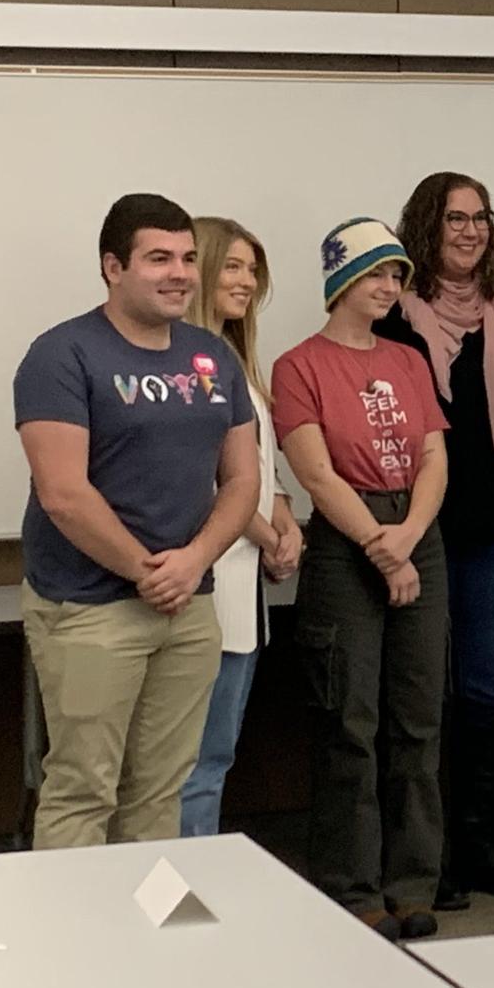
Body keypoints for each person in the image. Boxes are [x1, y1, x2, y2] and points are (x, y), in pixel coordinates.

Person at [14, 193, 260, 849]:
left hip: (187, 604)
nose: (179, 272)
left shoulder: (212, 357)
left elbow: (242, 480)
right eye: (158, 258)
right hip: (91, 607)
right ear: (112, 267)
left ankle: (140, 945)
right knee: (83, 789)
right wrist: (148, 570)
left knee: (162, 791)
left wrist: (194, 561)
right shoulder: (62, 354)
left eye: (185, 258)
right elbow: (63, 492)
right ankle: (74, 945)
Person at [376, 172, 494, 906]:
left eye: (481, 217)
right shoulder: (393, 313)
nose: (470, 230)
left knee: (491, 690)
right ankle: (428, 857)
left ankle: (482, 846)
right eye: (455, 218)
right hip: (415, 532)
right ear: (426, 224)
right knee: (420, 697)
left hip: (493, 534)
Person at [274, 219, 451, 940]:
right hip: (349, 541)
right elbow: (315, 471)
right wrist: (382, 545)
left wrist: (408, 536)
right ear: (341, 280)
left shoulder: (408, 359)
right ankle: (353, 886)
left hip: (417, 533)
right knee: (352, 720)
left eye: (397, 276)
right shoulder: (299, 365)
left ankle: (414, 884)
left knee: (418, 717)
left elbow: (436, 456)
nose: (388, 288)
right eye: (376, 274)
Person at [178, 217, 303, 837]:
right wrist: (262, 530)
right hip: (207, 585)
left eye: (252, 269)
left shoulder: (237, 362)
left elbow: (258, 464)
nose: (246, 281)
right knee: (194, 764)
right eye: (231, 266)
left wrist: (283, 518)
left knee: (216, 756)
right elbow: (201, 478)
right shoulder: (185, 363)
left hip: (244, 588)